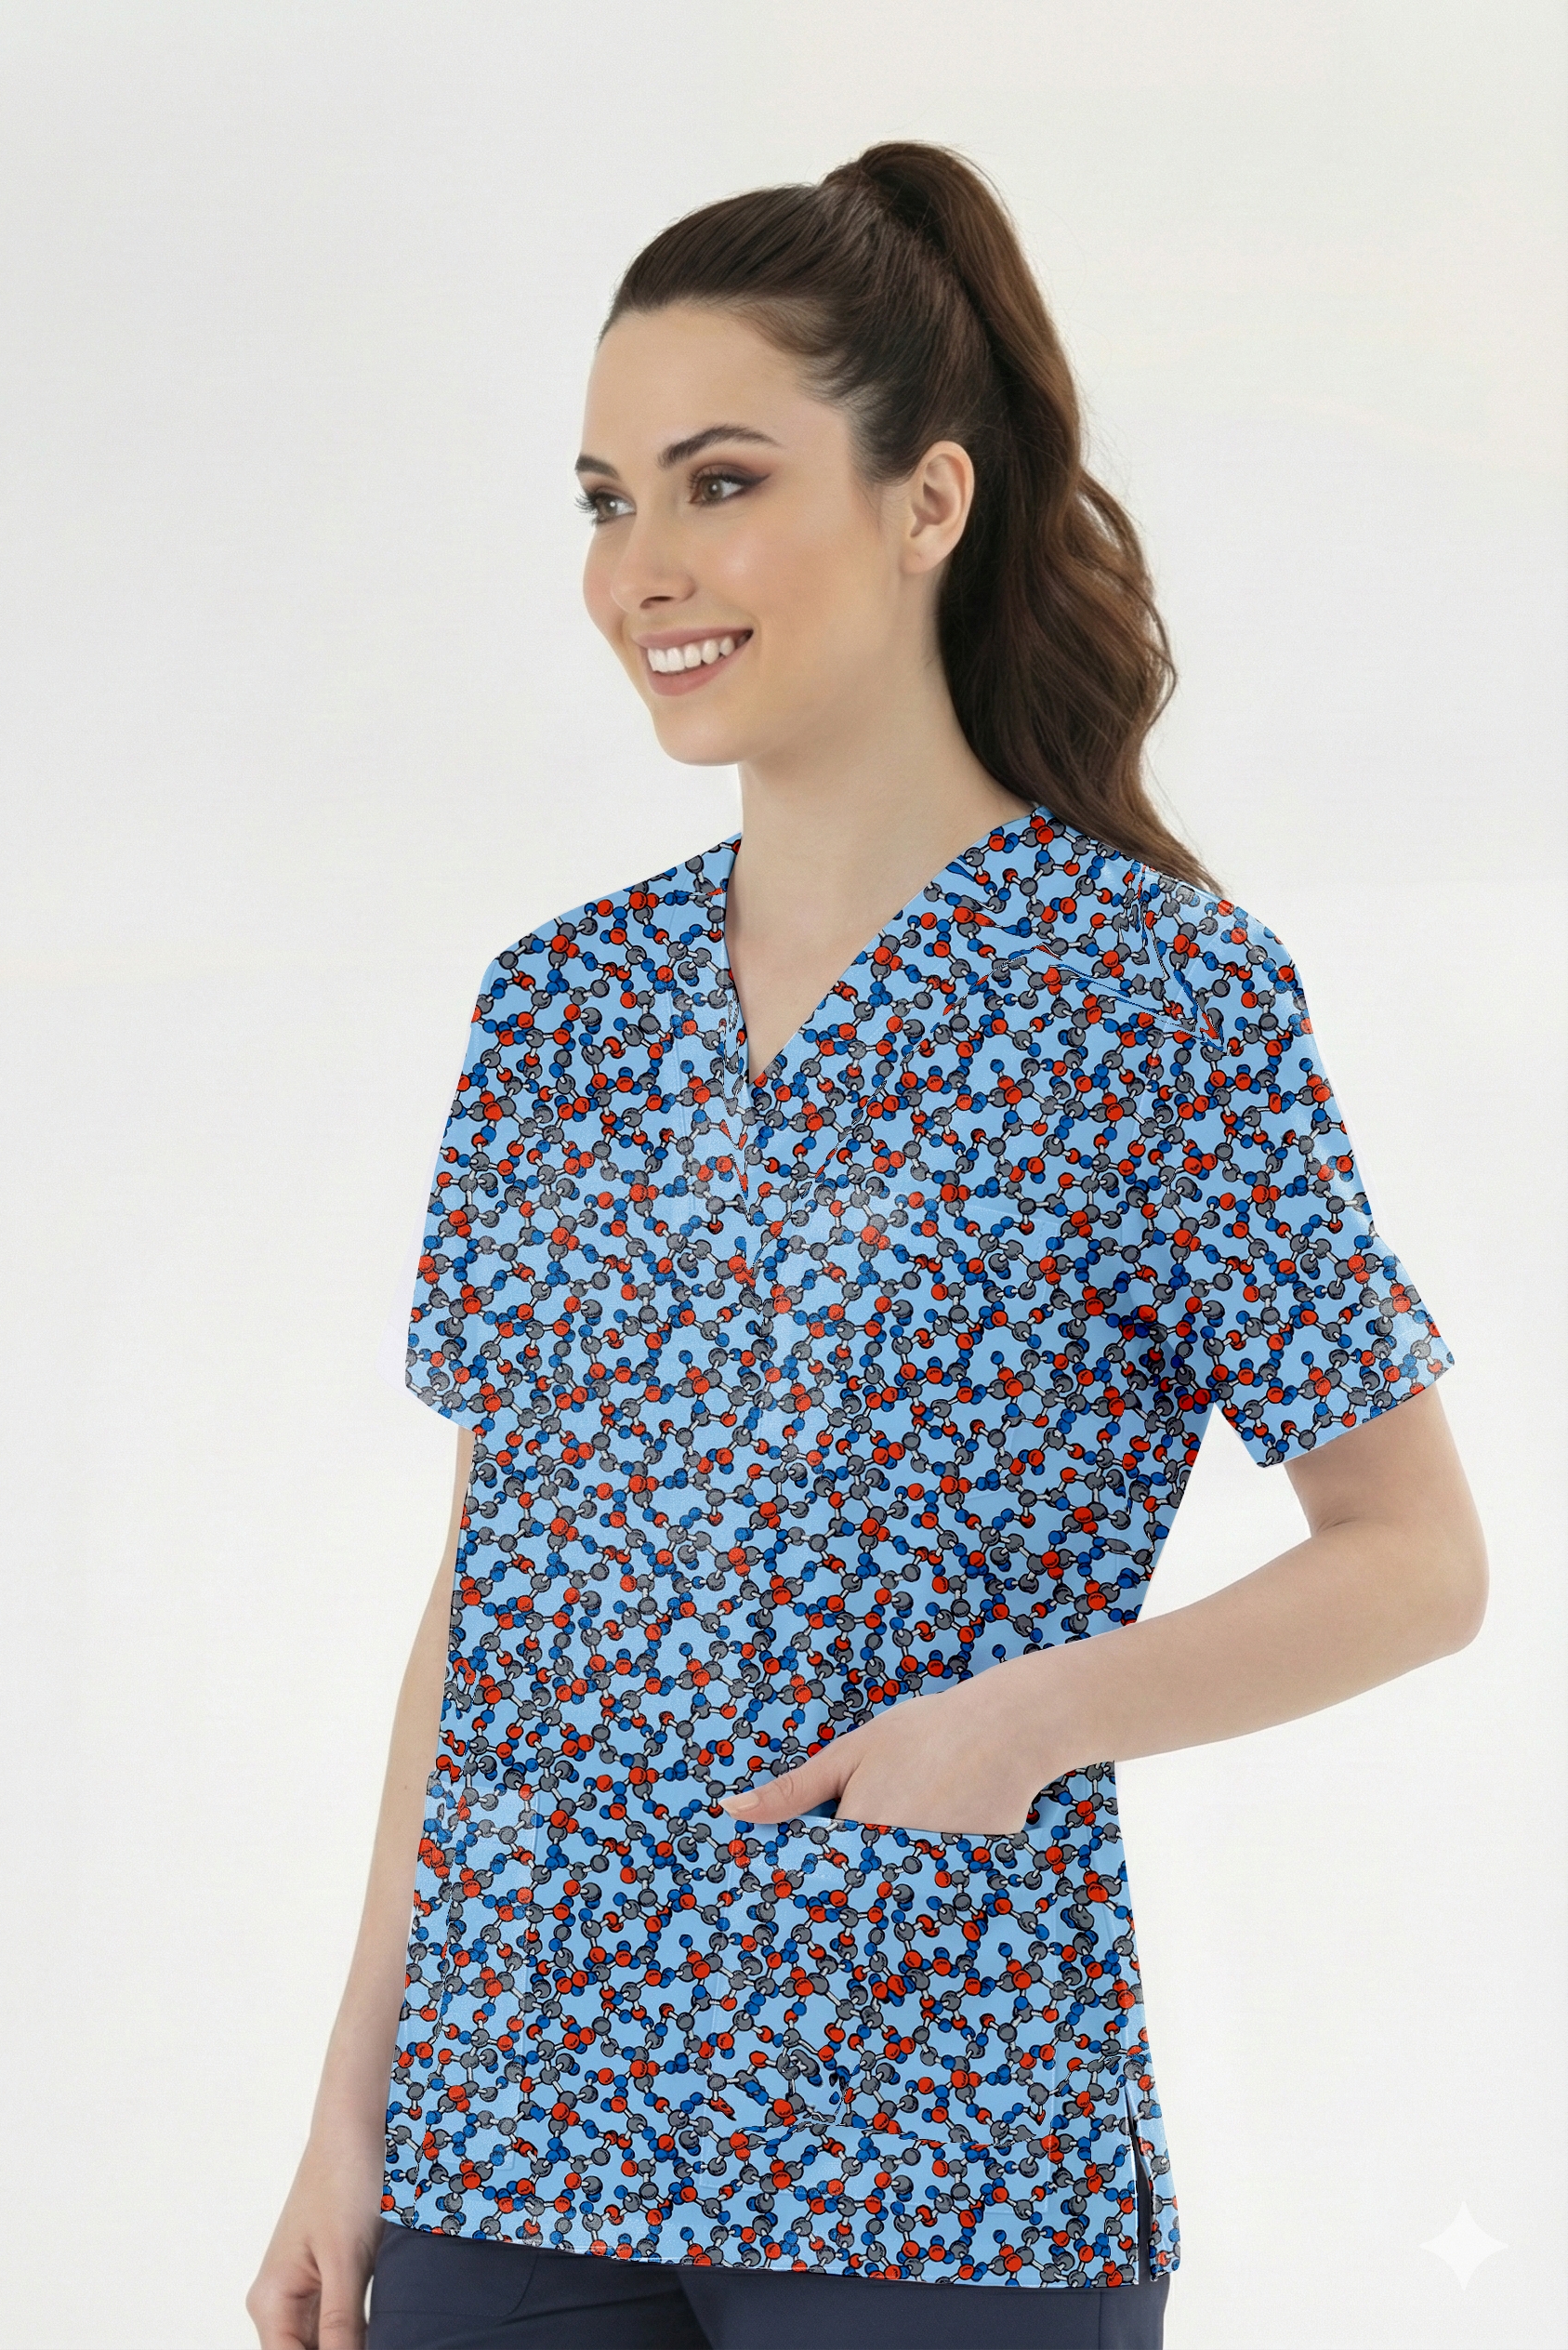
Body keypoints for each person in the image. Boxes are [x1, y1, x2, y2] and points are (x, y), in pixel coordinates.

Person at [247, 142, 1486, 2350]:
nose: (641, 567)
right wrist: (352, 2112)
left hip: (936, 2141)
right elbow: (487, 1601)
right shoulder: (556, 1012)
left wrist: (1023, 1720)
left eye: (718, 482)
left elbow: (1413, 1558)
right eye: (605, 500)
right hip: (512, 2133)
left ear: (927, 504)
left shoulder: (1149, 998)